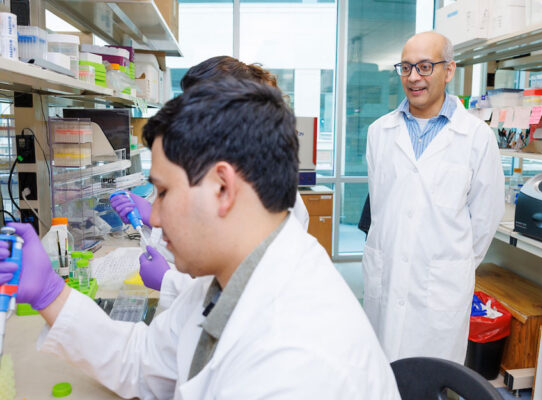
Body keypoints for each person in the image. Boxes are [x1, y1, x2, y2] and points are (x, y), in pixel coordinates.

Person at [0, 78, 400, 399]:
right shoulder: (230, 279)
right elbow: (144, 363)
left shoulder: (293, 365)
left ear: (222, 189)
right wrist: (53, 295)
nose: (153, 215)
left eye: (163, 191)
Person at [111, 56, 309, 308]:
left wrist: (169, 281)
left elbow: (246, 292)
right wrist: (153, 219)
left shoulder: (268, 196)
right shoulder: (213, 166)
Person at [362, 31, 504, 364]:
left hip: (440, 289)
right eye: (406, 67)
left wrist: (449, 266)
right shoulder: (379, 133)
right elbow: (383, 209)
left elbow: (485, 220)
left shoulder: (476, 137)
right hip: (387, 276)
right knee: (382, 377)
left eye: (425, 67)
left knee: (431, 381)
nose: (413, 77)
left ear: (449, 70)